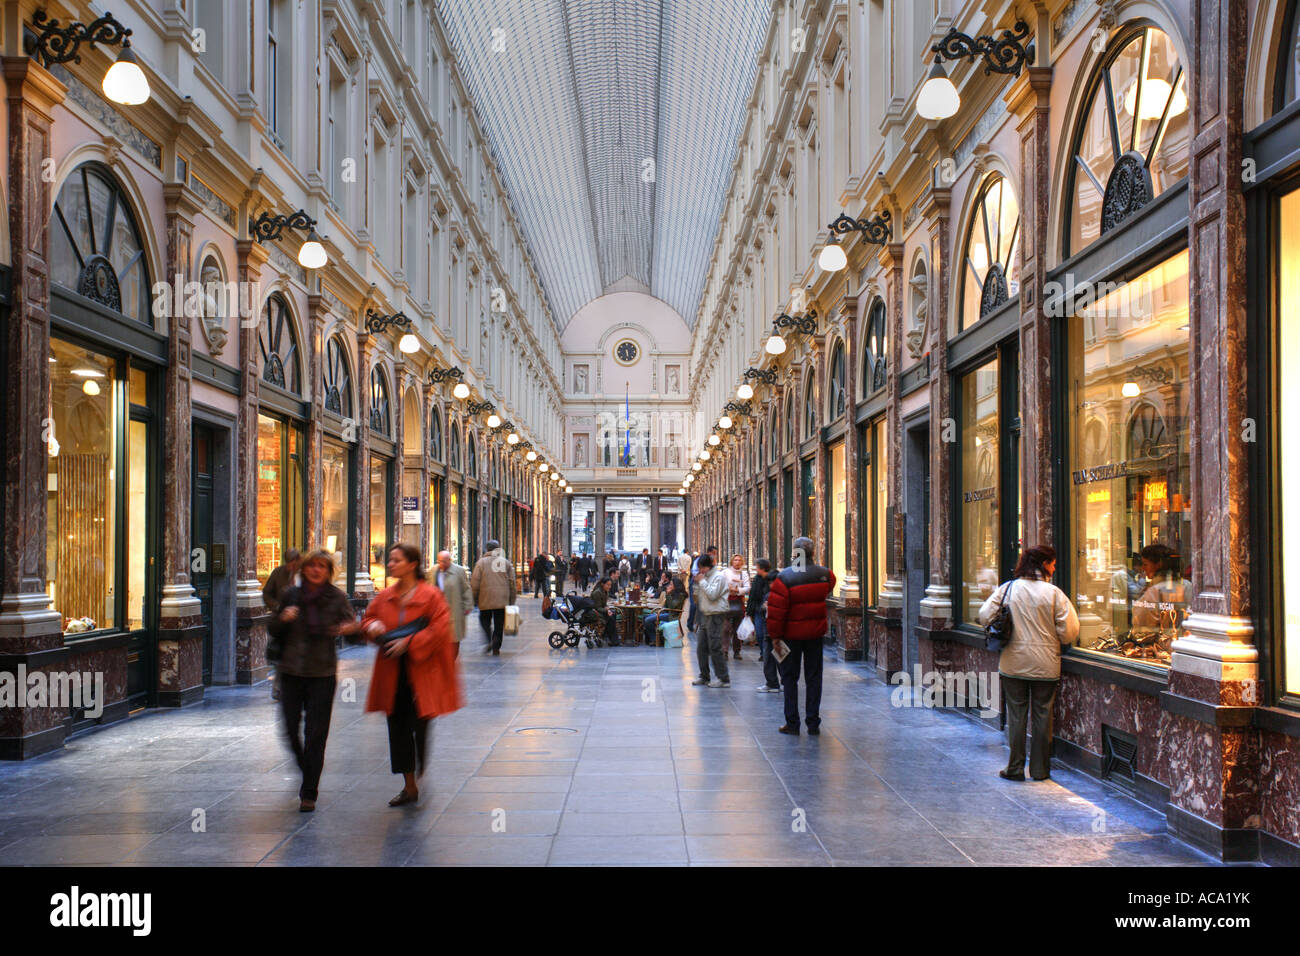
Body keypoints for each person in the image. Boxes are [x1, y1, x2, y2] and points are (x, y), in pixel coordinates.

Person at [362, 544, 463, 806]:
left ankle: (420, 755)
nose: (391, 564)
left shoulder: (430, 596)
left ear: (411, 563)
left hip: (423, 672)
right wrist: (371, 625)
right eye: (391, 560)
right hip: (393, 674)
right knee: (397, 728)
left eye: (396, 560)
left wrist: (410, 642)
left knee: (420, 723)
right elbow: (368, 619)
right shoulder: (385, 596)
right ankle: (409, 785)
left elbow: (441, 628)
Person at [268, 549, 360, 812]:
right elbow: (272, 628)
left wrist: (351, 630)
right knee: (289, 730)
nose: (316, 570)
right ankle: (306, 766)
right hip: (291, 672)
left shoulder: (337, 597)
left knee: (316, 734)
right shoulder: (291, 595)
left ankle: (309, 791)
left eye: (322, 566)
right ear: (304, 569)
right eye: (312, 566)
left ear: (329, 571)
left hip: (322, 674)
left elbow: (353, 632)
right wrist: (282, 619)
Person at [979, 544, 1079, 781]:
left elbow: (984, 615)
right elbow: (1069, 633)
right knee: (1043, 715)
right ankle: (1040, 770)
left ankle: (1014, 768)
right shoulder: (1055, 594)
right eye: (1053, 564)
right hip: (1046, 665)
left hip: (1013, 663)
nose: (1054, 568)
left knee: (1016, 715)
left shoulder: (1009, 589)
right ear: (1044, 565)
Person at [767, 537, 836, 735]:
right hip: (814, 635)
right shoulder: (824, 574)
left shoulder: (785, 578)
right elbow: (829, 585)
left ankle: (792, 722)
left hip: (790, 636)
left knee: (789, 678)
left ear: (795, 554)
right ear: (813, 553)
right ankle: (813, 722)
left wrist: (775, 637)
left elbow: (776, 612)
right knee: (814, 678)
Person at [262, 548, 302, 702]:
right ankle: (278, 689)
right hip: (283, 622)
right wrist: (277, 607)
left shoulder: (305, 575)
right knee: (282, 658)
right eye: (289, 563)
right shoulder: (278, 573)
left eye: (294, 563)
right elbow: (266, 593)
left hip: (301, 622)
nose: (291, 567)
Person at [690, 554, 732, 688]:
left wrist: (701, 582)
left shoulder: (718, 577)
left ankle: (723, 678)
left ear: (707, 566)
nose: (700, 571)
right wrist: (697, 584)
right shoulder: (706, 577)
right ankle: (704, 676)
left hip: (715, 615)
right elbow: (700, 596)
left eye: (701, 568)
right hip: (705, 614)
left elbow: (713, 595)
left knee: (715, 647)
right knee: (701, 647)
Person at [471, 539, 517, 655]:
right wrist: (512, 600)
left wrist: (474, 598)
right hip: (502, 598)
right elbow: (512, 583)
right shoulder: (506, 563)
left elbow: (475, 583)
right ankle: (496, 645)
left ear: (487, 548)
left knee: (484, 620)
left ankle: (489, 638)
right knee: (499, 623)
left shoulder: (481, 563)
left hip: (485, 597)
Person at [434, 550, 472, 659]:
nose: (442, 564)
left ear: (450, 560)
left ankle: (451, 661)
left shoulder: (459, 571)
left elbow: (466, 589)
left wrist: (467, 606)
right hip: (437, 612)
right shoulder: (433, 571)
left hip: (454, 610)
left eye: (445, 561)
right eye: (440, 561)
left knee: (453, 639)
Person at [749, 559, 779, 693]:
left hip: (773, 631)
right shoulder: (758, 581)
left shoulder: (772, 595)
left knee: (774, 656)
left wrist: (764, 608)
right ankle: (779, 682)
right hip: (775, 631)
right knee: (777, 655)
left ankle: (774, 683)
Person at [723, 553, 752, 661]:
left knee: (737, 628)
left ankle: (737, 651)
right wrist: (728, 589)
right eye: (735, 560)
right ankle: (724, 651)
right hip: (725, 602)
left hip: (738, 603)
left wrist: (737, 591)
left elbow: (748, 587)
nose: (737, 562)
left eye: (740, 560)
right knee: (725, 628)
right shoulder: (725, 572)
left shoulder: (743, 574)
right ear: (732, 561)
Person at [643, 577, 686, 643]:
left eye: (671, 584)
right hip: (666, 612)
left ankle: (655, 640)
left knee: (648, 620)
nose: (669, 586)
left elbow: (672, 606)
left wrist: (668, 594)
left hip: (672, 615)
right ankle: (651, 638)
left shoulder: (680, 595)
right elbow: (666, 606)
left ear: (676, 586)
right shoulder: (673, 593)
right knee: (645, 617)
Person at [686, 545, 719, 633]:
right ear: (709, 552)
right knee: (694, 605)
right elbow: (694, 572)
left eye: (715, 554)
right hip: (696, 585)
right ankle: (690, 623)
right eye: (713, 553)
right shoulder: (700, 560)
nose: (714, 555)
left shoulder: (713, 563)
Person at [587, 576, 619, 644]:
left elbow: (603, 604)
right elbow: (597, 607)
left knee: (613, 614)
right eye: (608, 584)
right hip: (594, 613)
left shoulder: (604, 591)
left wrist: (607, 608)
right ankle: (613, 639)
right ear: (602, 584)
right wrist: (607, 610)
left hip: (600, 611)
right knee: (611, 617)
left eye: (610, 585)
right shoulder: (597, 593)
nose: (609, 587)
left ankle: (608, 636)